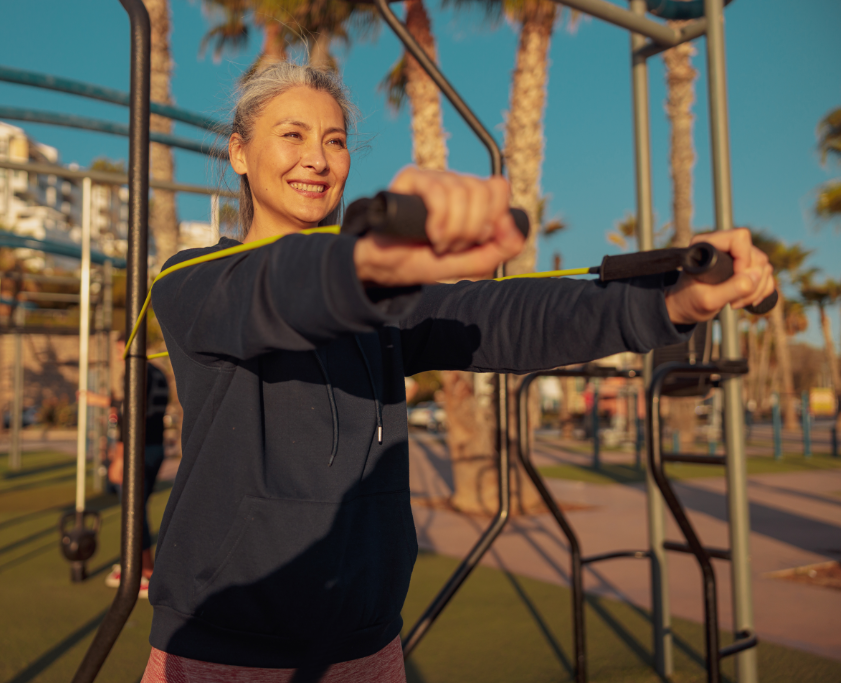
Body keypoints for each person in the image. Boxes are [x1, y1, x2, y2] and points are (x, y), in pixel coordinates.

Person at [140, 63, 774, 682]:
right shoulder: (193, 282)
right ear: (240, 153)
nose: (318, 159)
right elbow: (279, 291)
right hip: (221, 653)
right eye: (293, 135)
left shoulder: (381, 302)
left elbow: (499, 315)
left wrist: (671, 303)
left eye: (334, 140)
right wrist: (370, 258)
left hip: (367, 650)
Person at [82, 355, 169, 597]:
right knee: (136, 507)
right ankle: (137, 564)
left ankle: (146, 571)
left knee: (133, 508)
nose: (120, 356)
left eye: (122, 349)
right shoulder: (157, 372)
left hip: (139, 448)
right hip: (154, 446)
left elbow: (133, 412)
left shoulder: (138, 372)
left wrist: (120, 456)